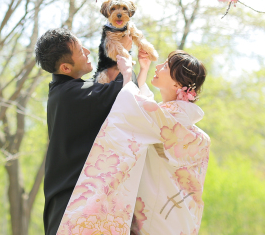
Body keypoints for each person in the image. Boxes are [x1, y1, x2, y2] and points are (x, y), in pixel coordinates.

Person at [57, 49, 210, 235]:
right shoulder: (173, 118)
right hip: (171, 215)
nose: (159, 66)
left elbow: (137, 109)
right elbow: (145, 110)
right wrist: (142, 71)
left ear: (178, 83)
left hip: (160, 219)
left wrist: (128, 73)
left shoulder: (174, 120)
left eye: (166, 66)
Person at [36, 27, 135, 235]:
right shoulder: (71, 96)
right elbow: (123, 94)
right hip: (73, 211)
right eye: (81, 51)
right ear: (65, 67)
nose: (88, 52)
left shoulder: (63, 93)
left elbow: (104, 88)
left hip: (70, 210)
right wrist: (124, 58)